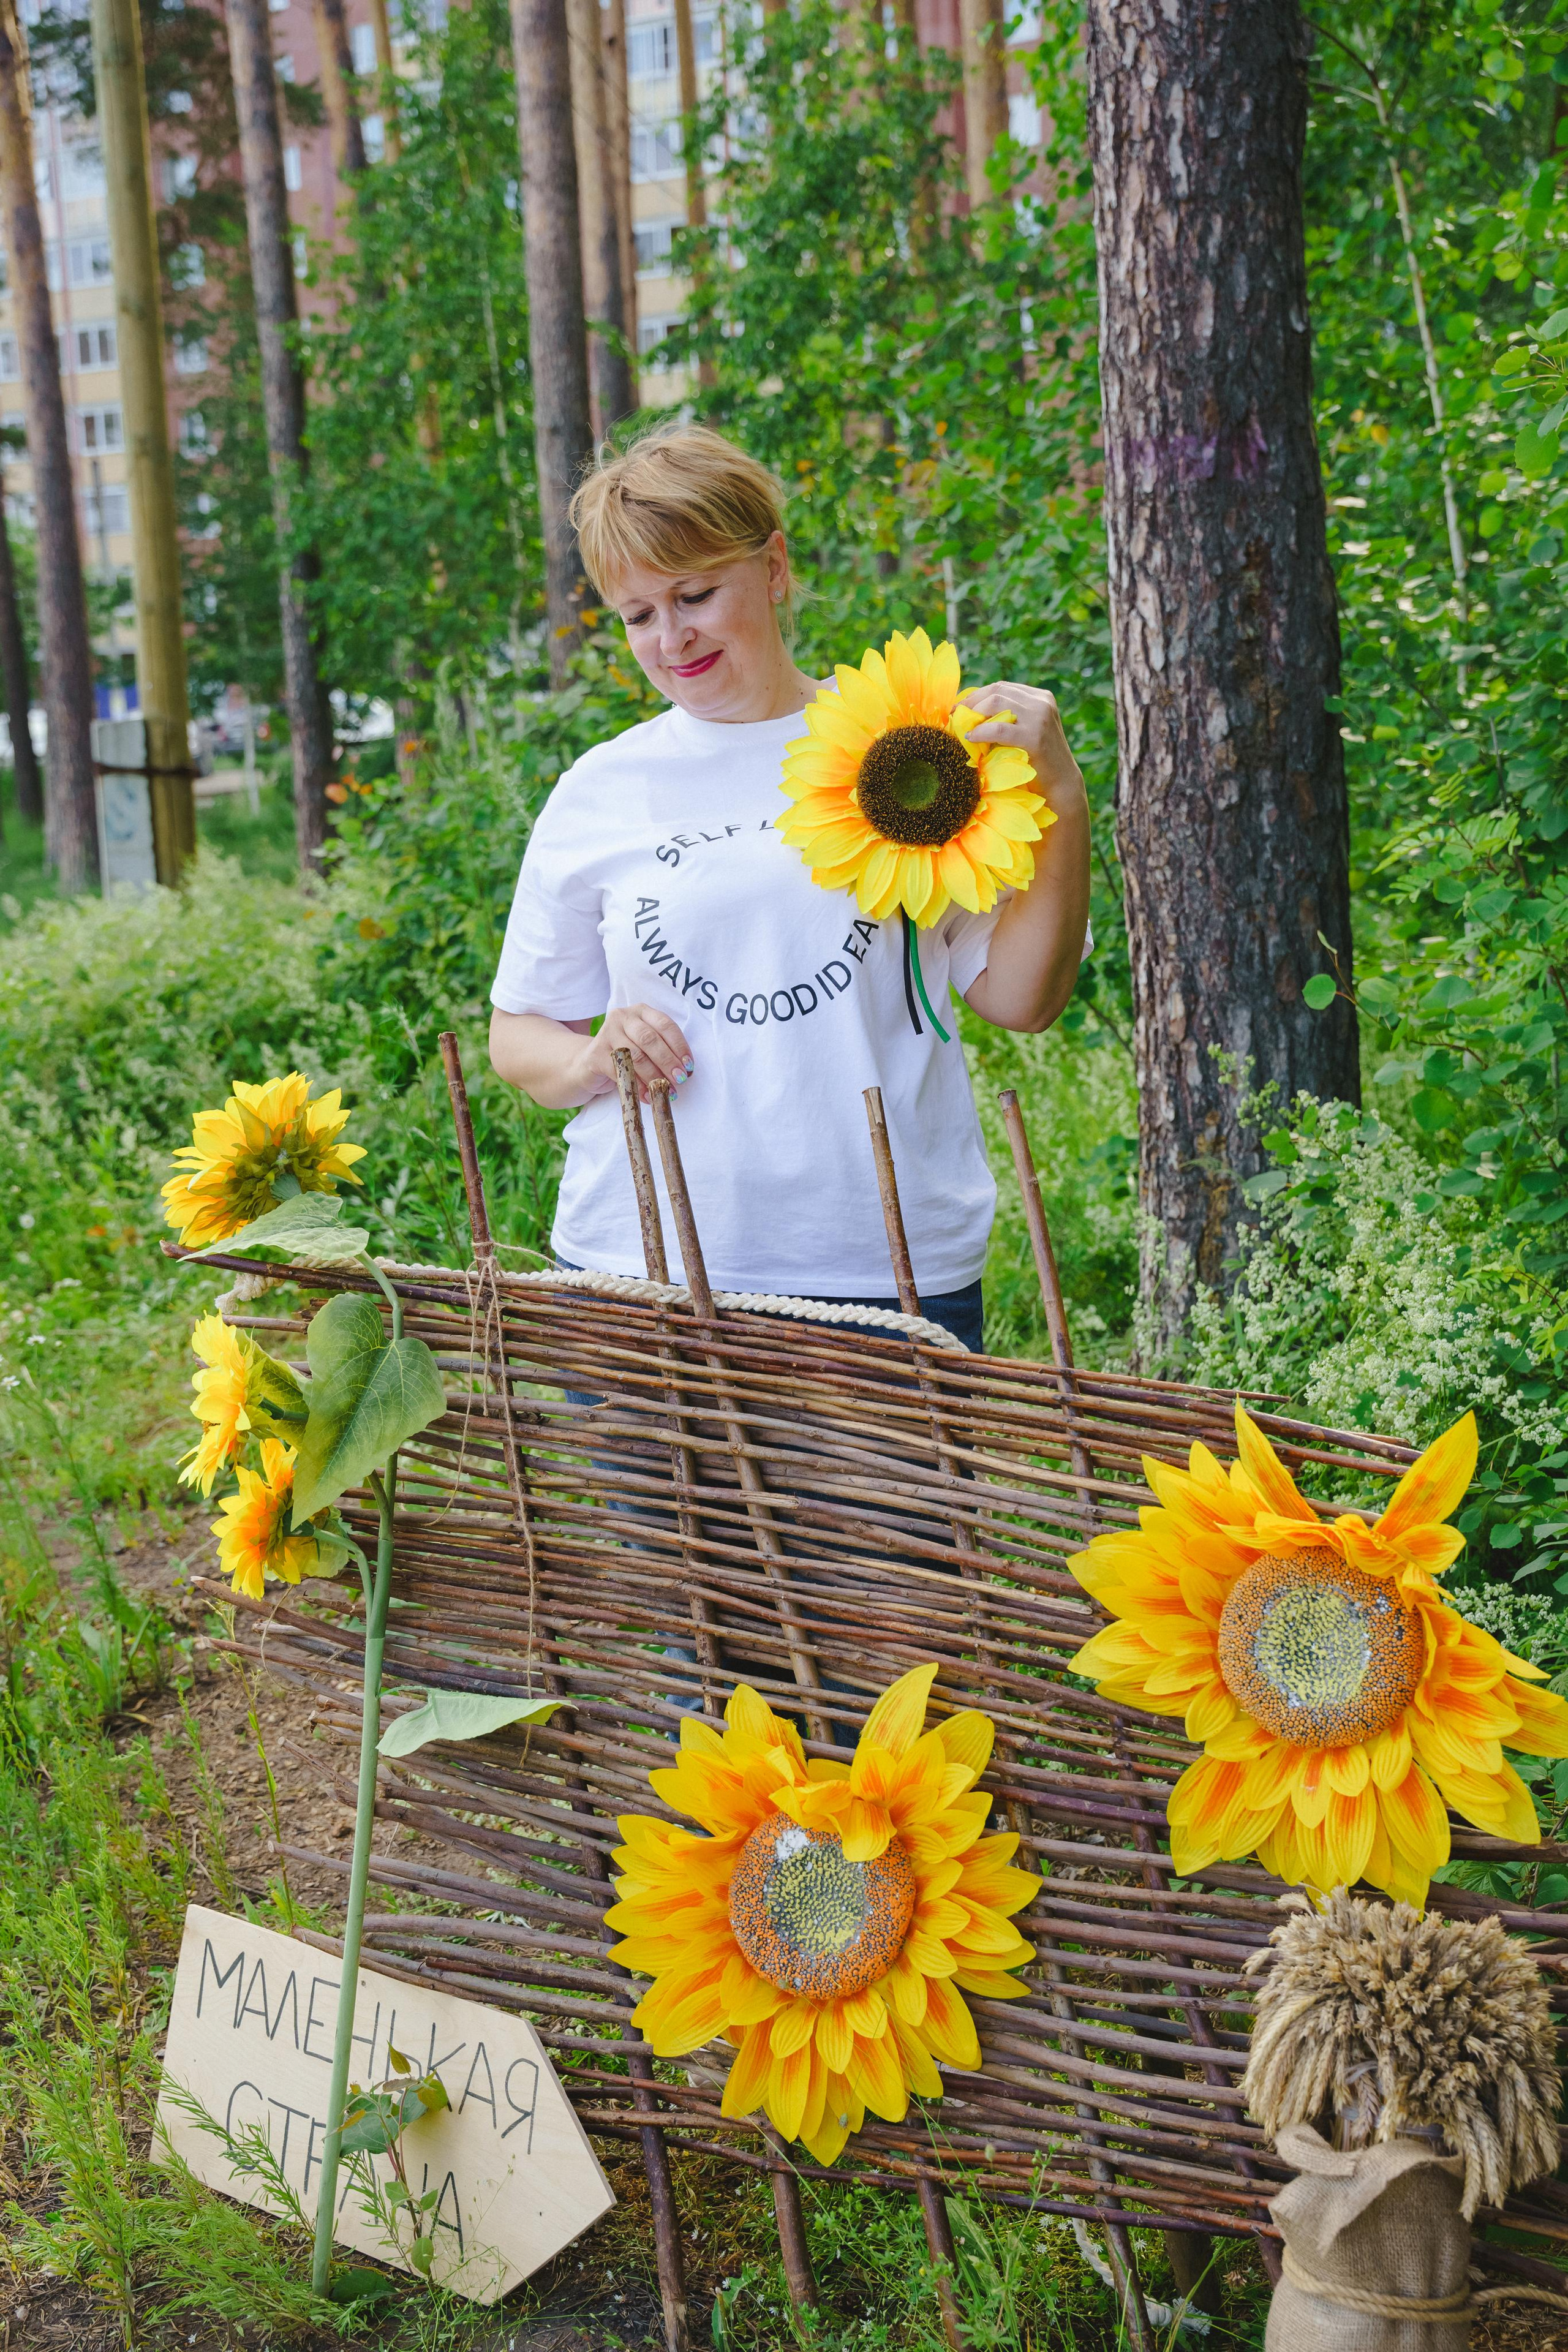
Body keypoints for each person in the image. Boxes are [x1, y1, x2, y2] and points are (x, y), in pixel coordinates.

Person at [488, 424, 1091, 1355]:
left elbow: (1022, 998)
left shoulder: (907, 751)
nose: (671, 636)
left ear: (772, 567)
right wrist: (590, 1058)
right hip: (638, 1269)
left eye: (695, 594)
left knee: (891, 1513)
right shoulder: (599, 790)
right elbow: (518, 1033)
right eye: (638, 614)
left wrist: (1062, 796)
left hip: (881, 1274)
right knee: (653, 1515)